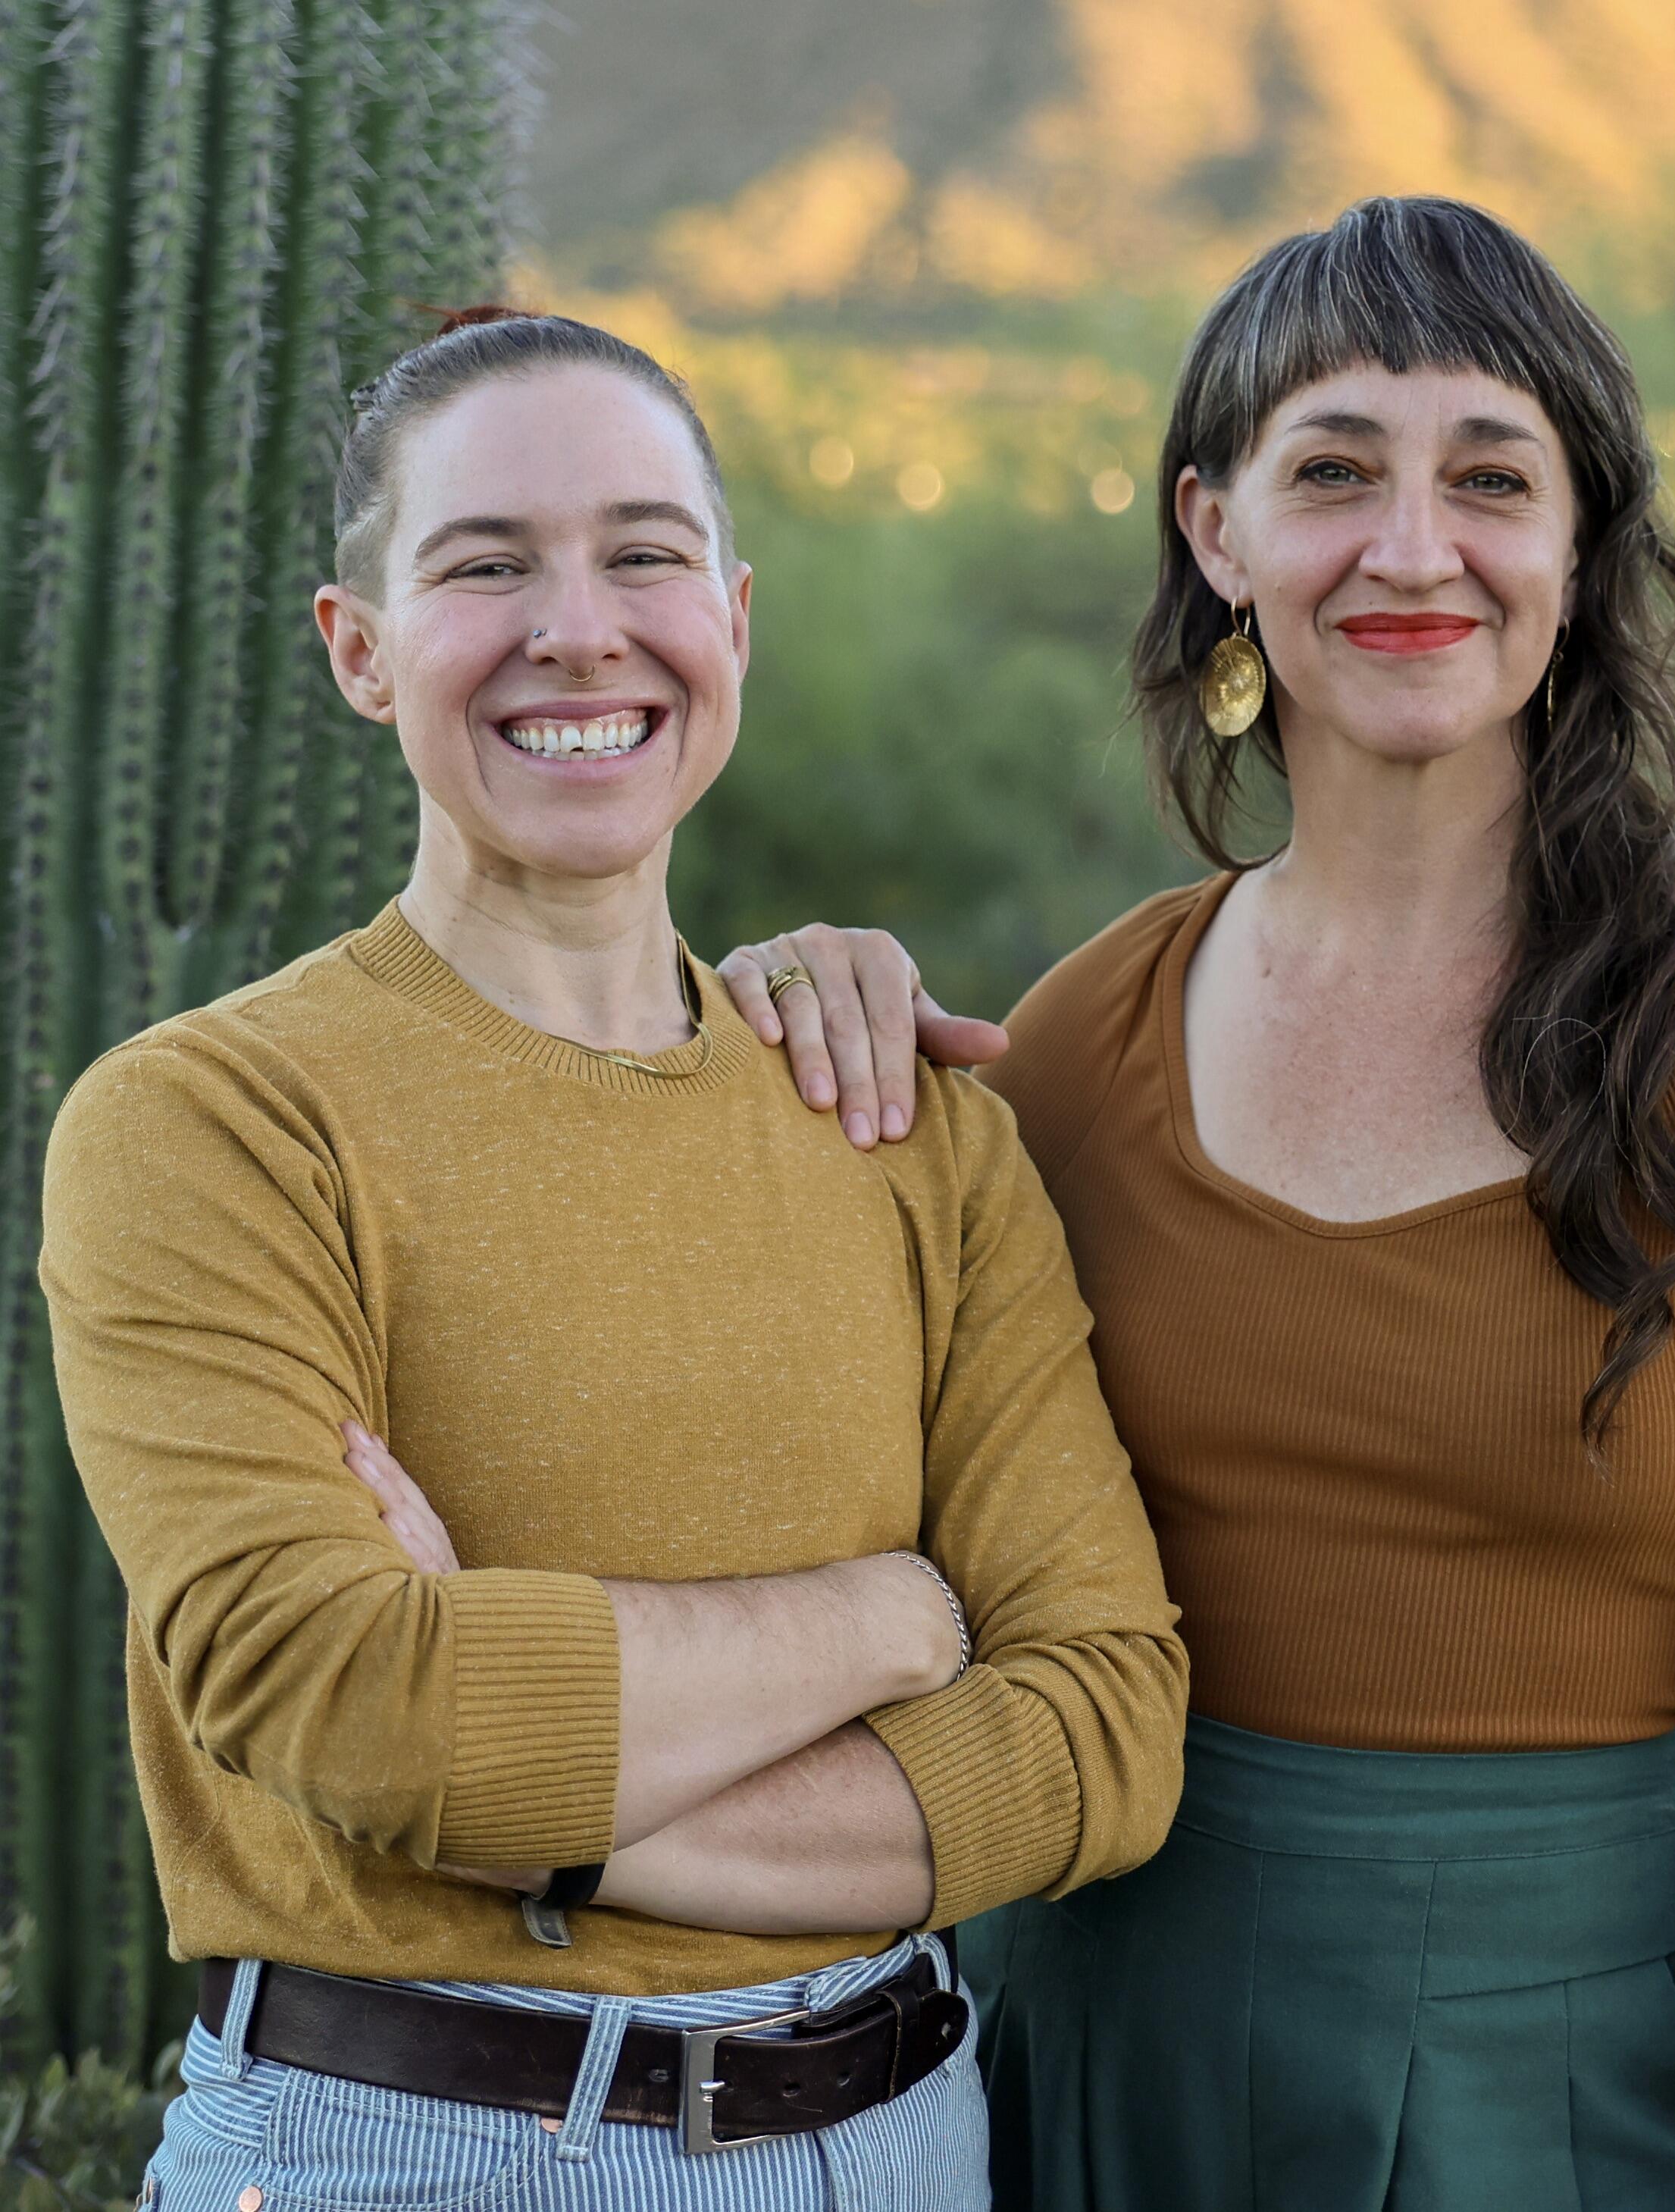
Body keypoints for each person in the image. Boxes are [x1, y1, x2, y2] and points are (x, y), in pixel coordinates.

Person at [720, 198, 1675, 2212]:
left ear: (1580, 544)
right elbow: (844, 1515)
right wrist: (763, 1042)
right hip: (1080, 2055)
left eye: (1489, 475)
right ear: (1216, 532)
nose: (1410, 549)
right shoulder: (1071, 1051)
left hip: (1552, 2089)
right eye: (1331, 472)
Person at [40, 309, 1185, 2212]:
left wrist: (542, 1807)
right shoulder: (215, 1122)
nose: (579, 625)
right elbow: (353, 1698)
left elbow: (1103, 1735)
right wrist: (893, 1617)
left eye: (642, 553)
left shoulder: (915, 1128)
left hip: (911, 2142)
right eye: (484, 565)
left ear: (730, 620)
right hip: (407, 2153)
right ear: (360, 649)